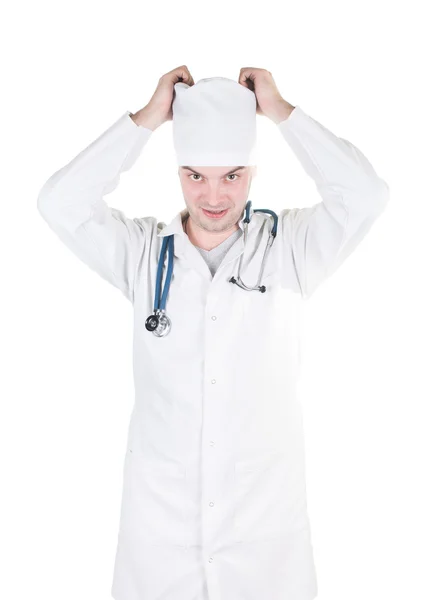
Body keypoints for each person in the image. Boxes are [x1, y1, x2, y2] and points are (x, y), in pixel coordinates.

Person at [37, 65, 390, 600]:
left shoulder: (289, 249)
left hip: (264, 547)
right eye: (195, 175)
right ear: (177, 172)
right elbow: (59, 203)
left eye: (232, 175)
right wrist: (146, 119)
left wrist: (281, 112)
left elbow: (365, 194)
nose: (214, 196)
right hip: (160, 545)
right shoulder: (142, 255)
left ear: (253, 170)